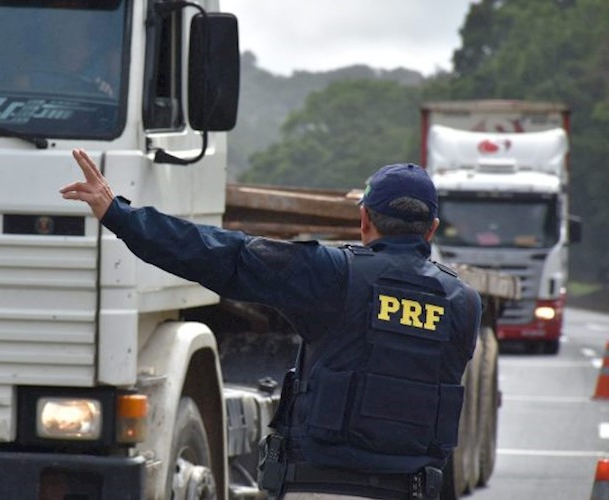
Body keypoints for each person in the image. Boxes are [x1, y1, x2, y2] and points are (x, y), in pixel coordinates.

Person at [60, 149, 482, 500]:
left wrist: (120, 215)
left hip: (320, 487)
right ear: (431, 229)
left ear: (364, 220)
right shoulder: (464, 303)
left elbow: (222, 254)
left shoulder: (334, 275)